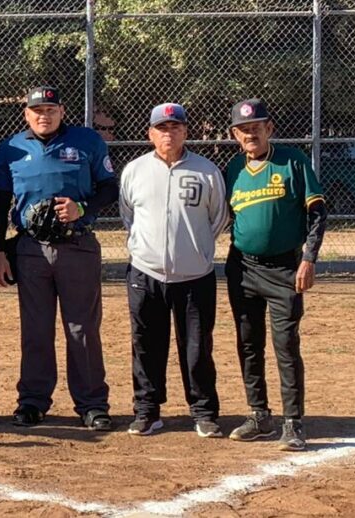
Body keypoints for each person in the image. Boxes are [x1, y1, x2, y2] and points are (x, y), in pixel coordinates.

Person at [0, 86, 119, 431]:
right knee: (35, 329)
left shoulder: (86, 141)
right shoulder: (12, 148)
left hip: (77, 245)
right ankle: (32, 401)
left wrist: (84, 207)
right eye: (36, 110)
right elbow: (1, 203)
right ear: (26, 114)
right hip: (31, 248)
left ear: (62, 111)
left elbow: (109, 186)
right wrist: (0, 251)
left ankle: (92, 403)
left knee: (82, 328)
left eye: (50, 109)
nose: (43, 115)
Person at [118, 103, 229, 438]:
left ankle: (204, 412)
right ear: (150, 133)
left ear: (185, 132)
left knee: (197, 347)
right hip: (145, 273)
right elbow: (129, 217)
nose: (168, 134)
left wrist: (193, 250)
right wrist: (148, 249)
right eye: (162, 128)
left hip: (195, 276)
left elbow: (218, 218)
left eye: (175, 127)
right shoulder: (134, 171)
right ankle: (147, 411)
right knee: (145, 343)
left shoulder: (206, 171)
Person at [224, 99, 327, 451]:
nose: (251, 133)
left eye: (257, 127)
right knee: (249, 344)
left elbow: (316, 213)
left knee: (286, 346)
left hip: (285, 268)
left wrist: (308, 259)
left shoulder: (293, 161)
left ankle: (292, 422)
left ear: (270, 129)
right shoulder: (233, 168)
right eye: (243, 129)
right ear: (235, 135)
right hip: (242, 267)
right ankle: (258, 414)